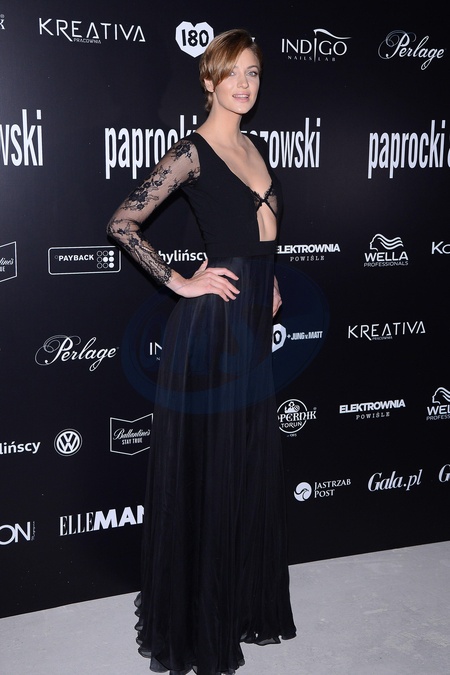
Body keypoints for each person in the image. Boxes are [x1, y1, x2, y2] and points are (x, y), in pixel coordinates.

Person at [107, 28, 296, 675]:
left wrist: (270, 282)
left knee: (244, 469)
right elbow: (122, 223)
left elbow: (260, 236)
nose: (244, 84)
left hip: (252, 325)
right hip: (213, 331)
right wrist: (181, 281)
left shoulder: (253, 144)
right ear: (209, 81)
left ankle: (235, 601)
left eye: (253, 73)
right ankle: (201, 621)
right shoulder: (191, 152)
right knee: (211, 475)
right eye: (231, 73)